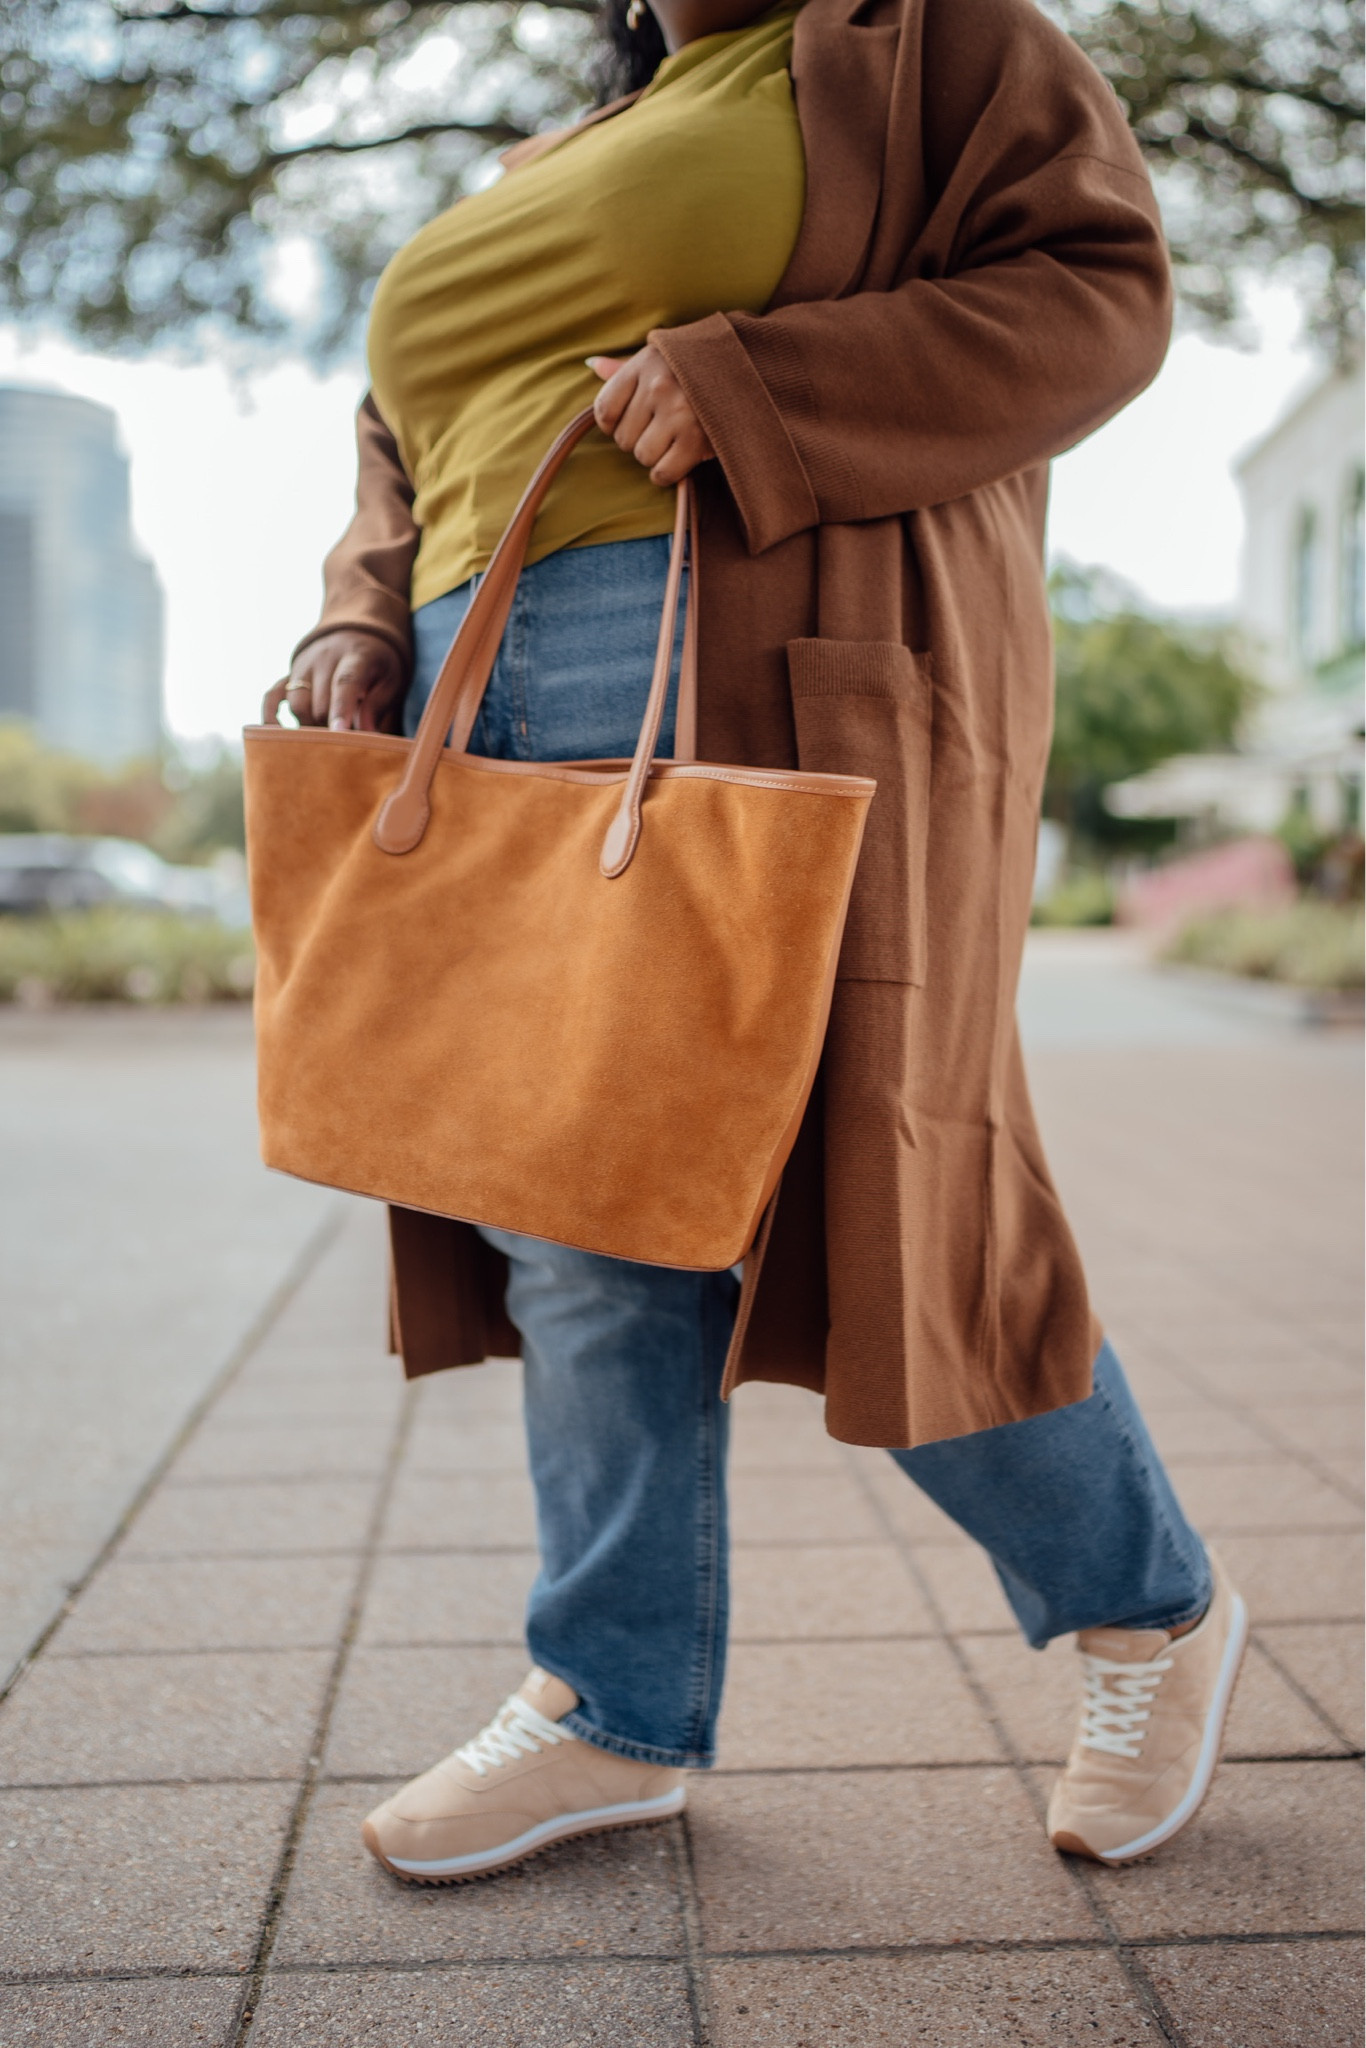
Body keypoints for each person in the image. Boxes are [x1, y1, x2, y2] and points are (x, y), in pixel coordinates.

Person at [279, 0, 1247, 1885]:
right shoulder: (553, 149)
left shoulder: (925, 42)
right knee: (566, 1210)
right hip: (488, 707)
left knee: (873, 1187)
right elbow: (407, 428)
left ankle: (1150, 1615)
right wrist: (360, 602)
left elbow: (1096, 290)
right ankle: (610, 1706)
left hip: (767, 685)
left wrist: (757, 386)